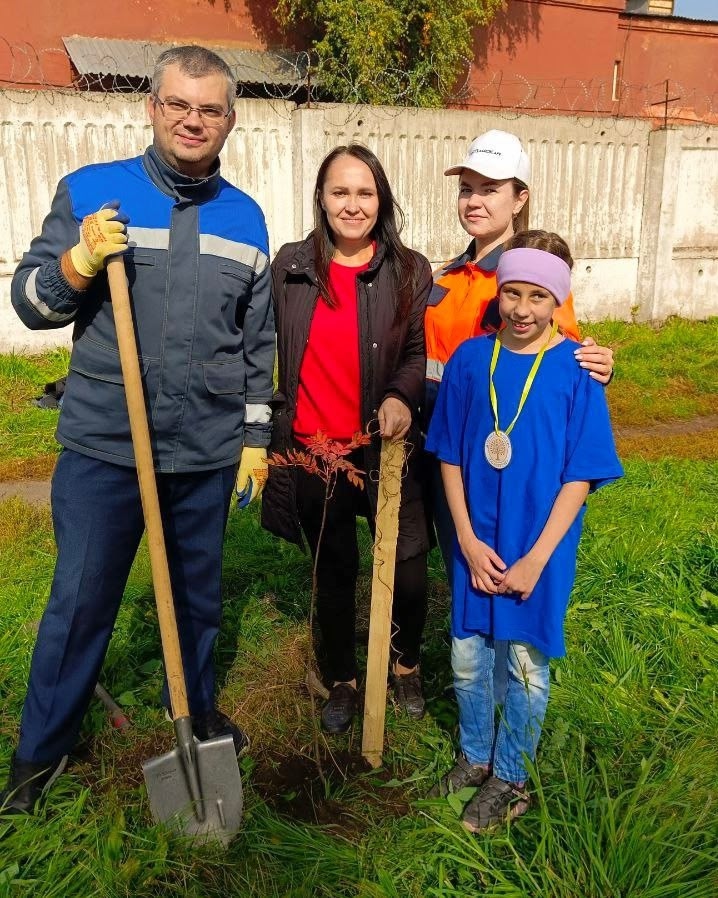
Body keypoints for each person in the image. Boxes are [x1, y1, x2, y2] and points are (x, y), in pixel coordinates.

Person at [1, 45, 275, 814]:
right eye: (179, 104)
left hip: (204, 450)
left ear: (230, 121)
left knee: (198, 598)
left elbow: (257, 346)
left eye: (211, 109)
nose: (194, 120)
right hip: (106, 448)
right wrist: (81, 259)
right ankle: (40, 751)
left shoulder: (245, 217)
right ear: (152, 108)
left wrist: (256, 438)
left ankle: (194, 708)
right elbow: (31, 303)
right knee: (81, 600)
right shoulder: (94, 194)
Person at [425, 230, 623, 831]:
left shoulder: (576, 372)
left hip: (540, 549)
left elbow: (581, 476)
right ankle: (475, 754)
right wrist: (463, 535)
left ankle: (512, 774)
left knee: (526, 666)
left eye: (538, 296)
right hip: (475, 543)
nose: (521, 308)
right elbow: (451, 455)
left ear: (557, 300)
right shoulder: (469, 360)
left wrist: (537, 558)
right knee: (468, 656)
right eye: (512, 292)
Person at [261, 144, 432, 733]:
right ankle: (342, 678)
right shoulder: (290, 265)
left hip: (383, 447)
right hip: (316, 451)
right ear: (322, 198)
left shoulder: (408, 268)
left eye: (364, 192)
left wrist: (399, 397)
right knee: (333, 570)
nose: (352, 205)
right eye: (340, 192)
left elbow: (414, 352)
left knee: (407, 567)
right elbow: (259, 343)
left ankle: (405, 666)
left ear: (380, 198)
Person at [425, 130, 615, 580]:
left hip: (507, 460)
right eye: (466, 189)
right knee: (462, 565)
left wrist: (601, 365)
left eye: (490, 190)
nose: (474, 201)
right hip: (447, 448)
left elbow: (565, 365)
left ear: (519, 199)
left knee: (505, 570)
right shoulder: (444, 278)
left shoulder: (534, 279)